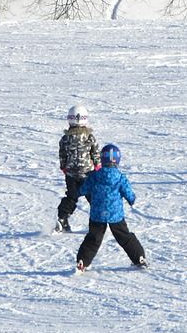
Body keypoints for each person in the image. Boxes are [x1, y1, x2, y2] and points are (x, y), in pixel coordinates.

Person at [75, 143, 147, 271]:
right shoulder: (120, 177)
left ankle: (82, 262)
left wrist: (78, 192)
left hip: (97, 214)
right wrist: (131, 199)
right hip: (115, 214)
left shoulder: (95, 176)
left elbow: (84, 189)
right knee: (124, 236)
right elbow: (128, 192)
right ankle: (139, 258)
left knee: (93, 238)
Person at [56, 104, 100, 232]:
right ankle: (98, 222)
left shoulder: (65, 138)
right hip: (88, 174)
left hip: (71, 174)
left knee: (71, 197)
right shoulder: (89, 137)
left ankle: (63, 218)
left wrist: (63, 167)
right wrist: (97, 166)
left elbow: (62, 154)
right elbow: (95, 153)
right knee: (93, 197)